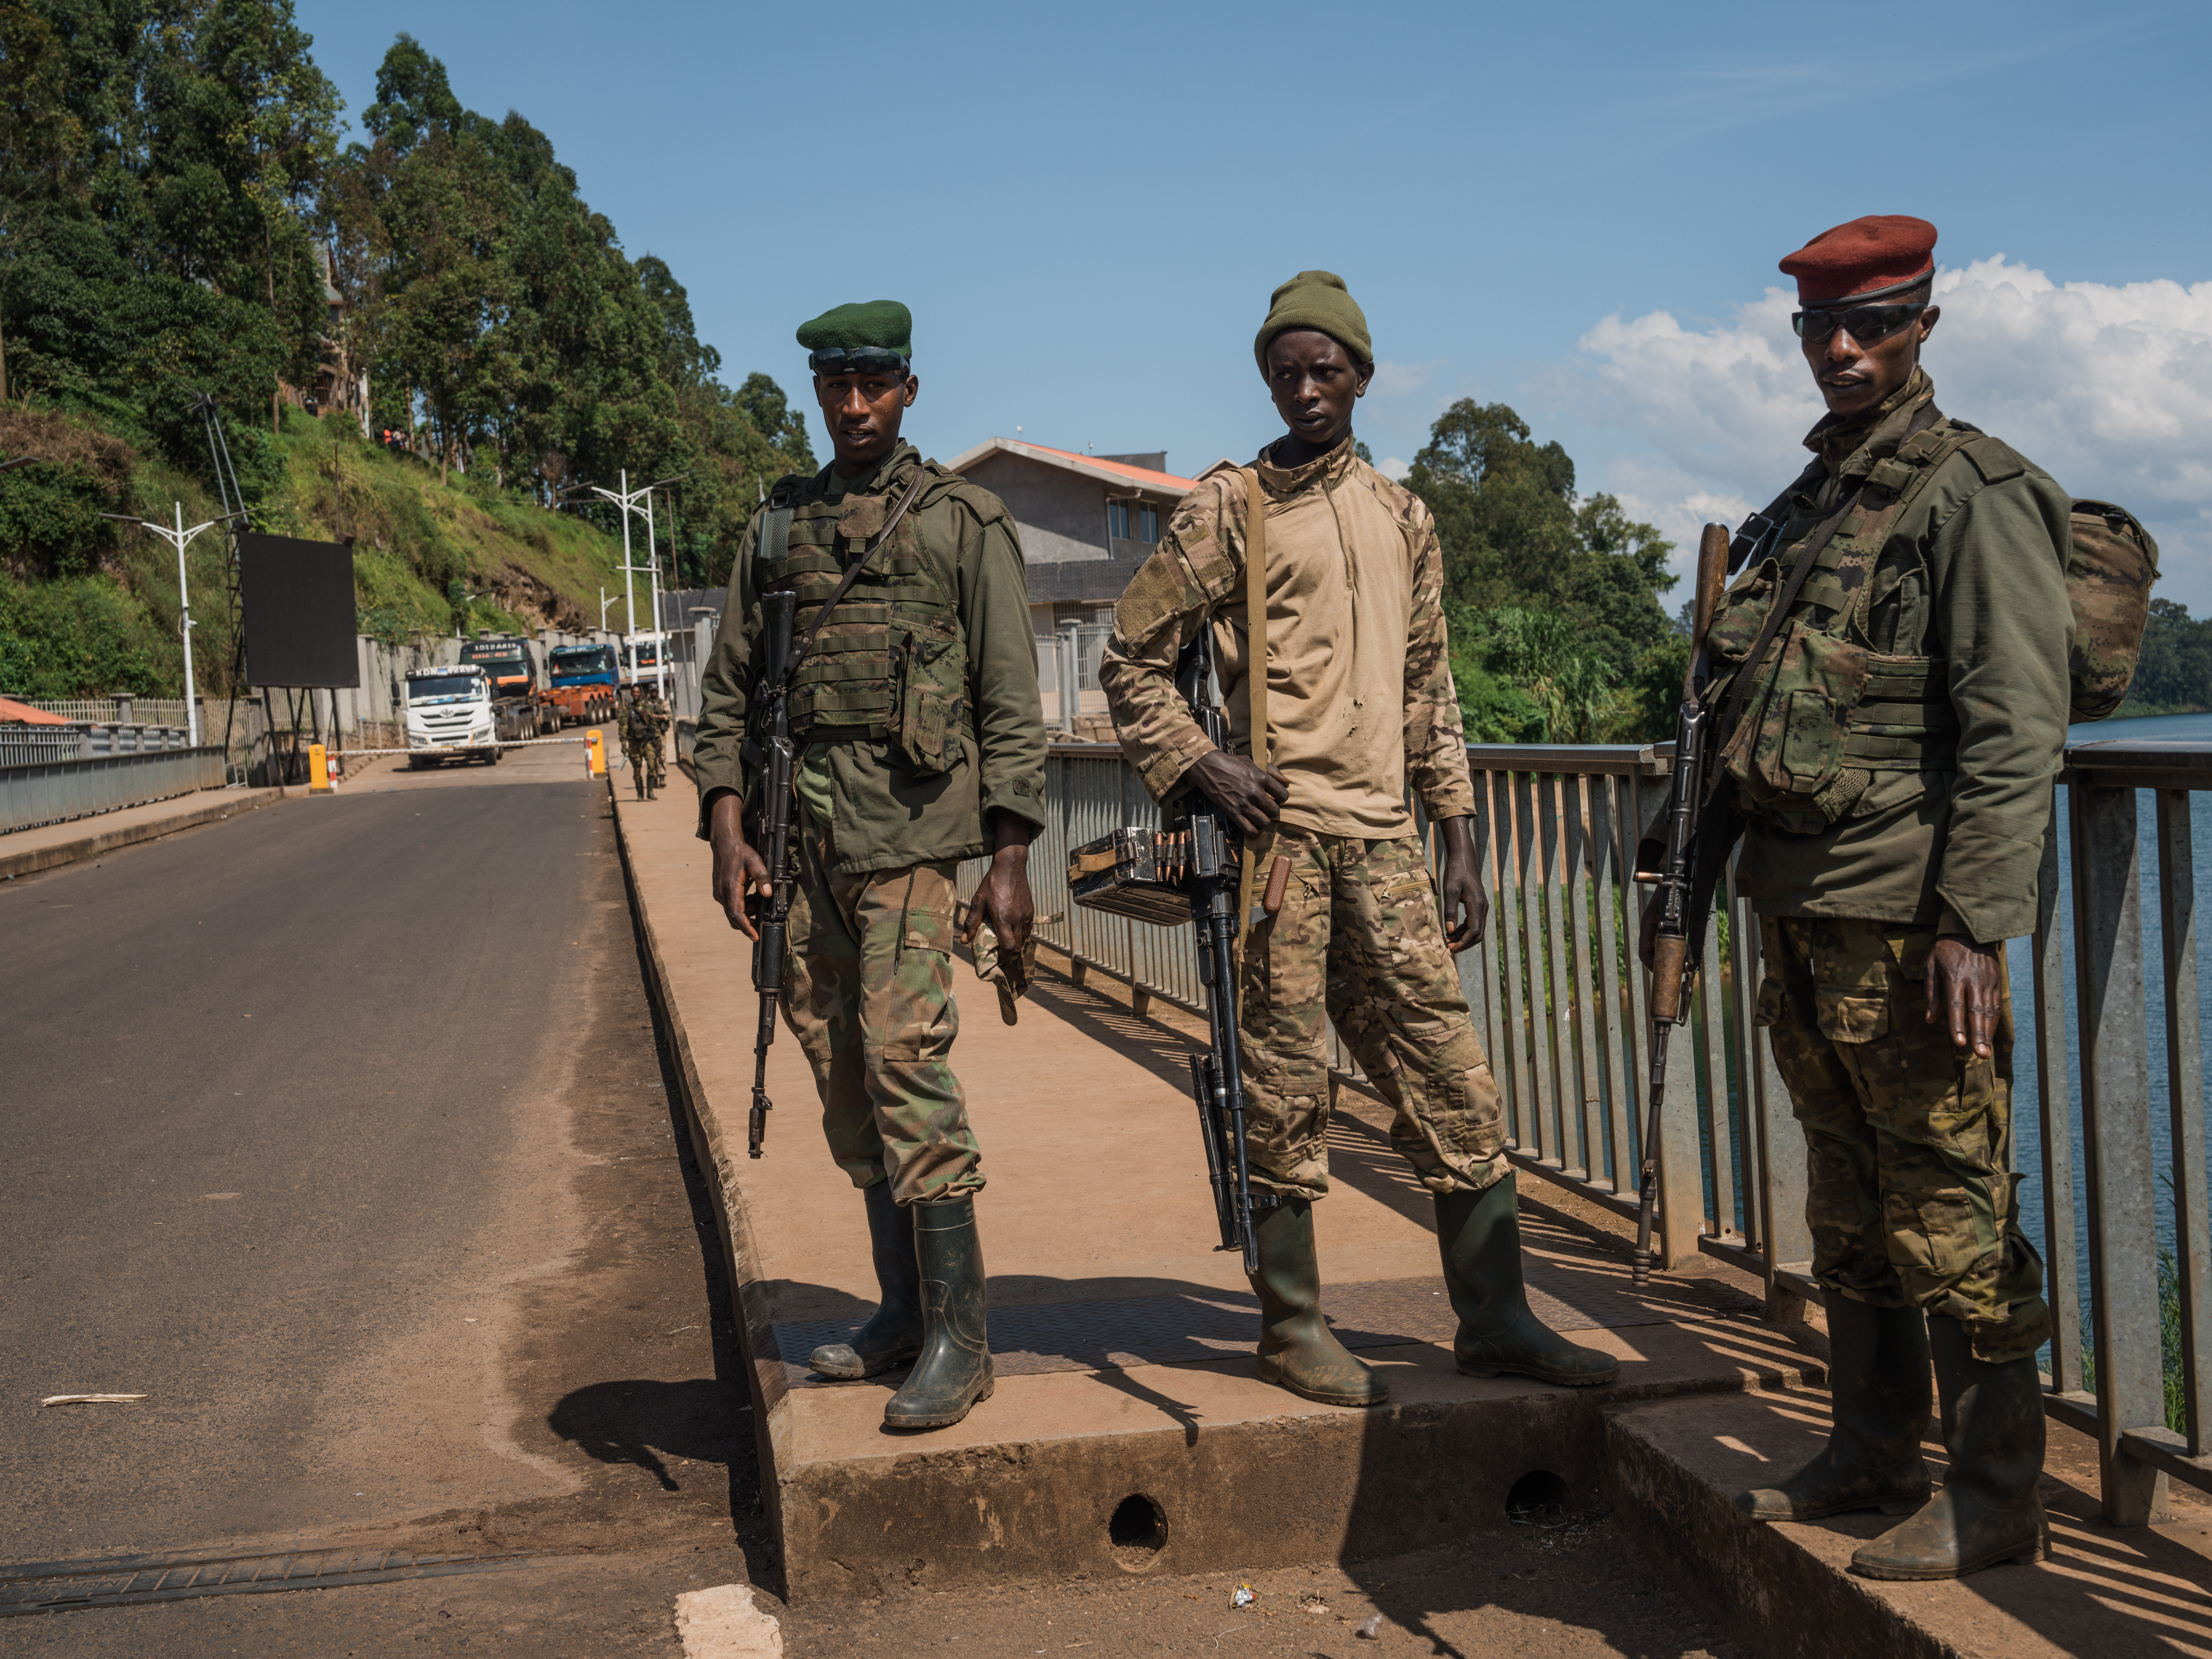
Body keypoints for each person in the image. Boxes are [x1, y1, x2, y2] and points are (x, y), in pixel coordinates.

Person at [1099, 270, 1618, 1409]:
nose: (1304, 390)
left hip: (1386, 848)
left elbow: (1429, 684)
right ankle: (1291, 1326)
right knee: (1283, 1093)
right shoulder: (1228, 508)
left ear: (1363, 376)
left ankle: (1496, 1320)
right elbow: (1129, 660)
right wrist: (1201, 764)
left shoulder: (1403, 516)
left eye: (1323, 369)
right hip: (1280, 850)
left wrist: (1461, 836)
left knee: (1453, 1083)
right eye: (1283, 371)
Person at [1681, 216, 2069, 1580]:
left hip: (1905, 920)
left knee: (1948, 1203)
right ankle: (1867, 1444)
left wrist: (1974, 919)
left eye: (1872, 324)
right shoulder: (1810, 503)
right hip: (1798, 908)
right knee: (1845, 1196)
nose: (1841, 350)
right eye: (1819, 330)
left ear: (1922, 322)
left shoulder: (1971, 492)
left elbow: (2012, 724)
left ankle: (1996, 1487)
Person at [691, 300, 1046, 1432]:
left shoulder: (960, 522)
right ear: (817, 393)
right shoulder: (774, 530)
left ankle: (962, 1336)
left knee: (905, 1065)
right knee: (843, 1079)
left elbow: (1008, 705)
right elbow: (726, 696)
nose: (853, 406)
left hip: (909, 848)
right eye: (835, 387)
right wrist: (725, 825)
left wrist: (1006, 863)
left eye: (873, 385)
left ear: (905, 388)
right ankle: (900, 1310)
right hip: (804, 852)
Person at [620, 684, 670, 801]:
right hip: (634, 743)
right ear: (632, 694)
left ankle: (650, 792)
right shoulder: (628, 709)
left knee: (652, 765)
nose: (636, 694)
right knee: (637, 769)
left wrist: (658, 740)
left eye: (638, 692)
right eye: (634, 692)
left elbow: (654, 725)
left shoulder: (646, 708)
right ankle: (640, 795)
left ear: (641, 693)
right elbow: (623, 728)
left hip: (647, 743)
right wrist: (623, 744)